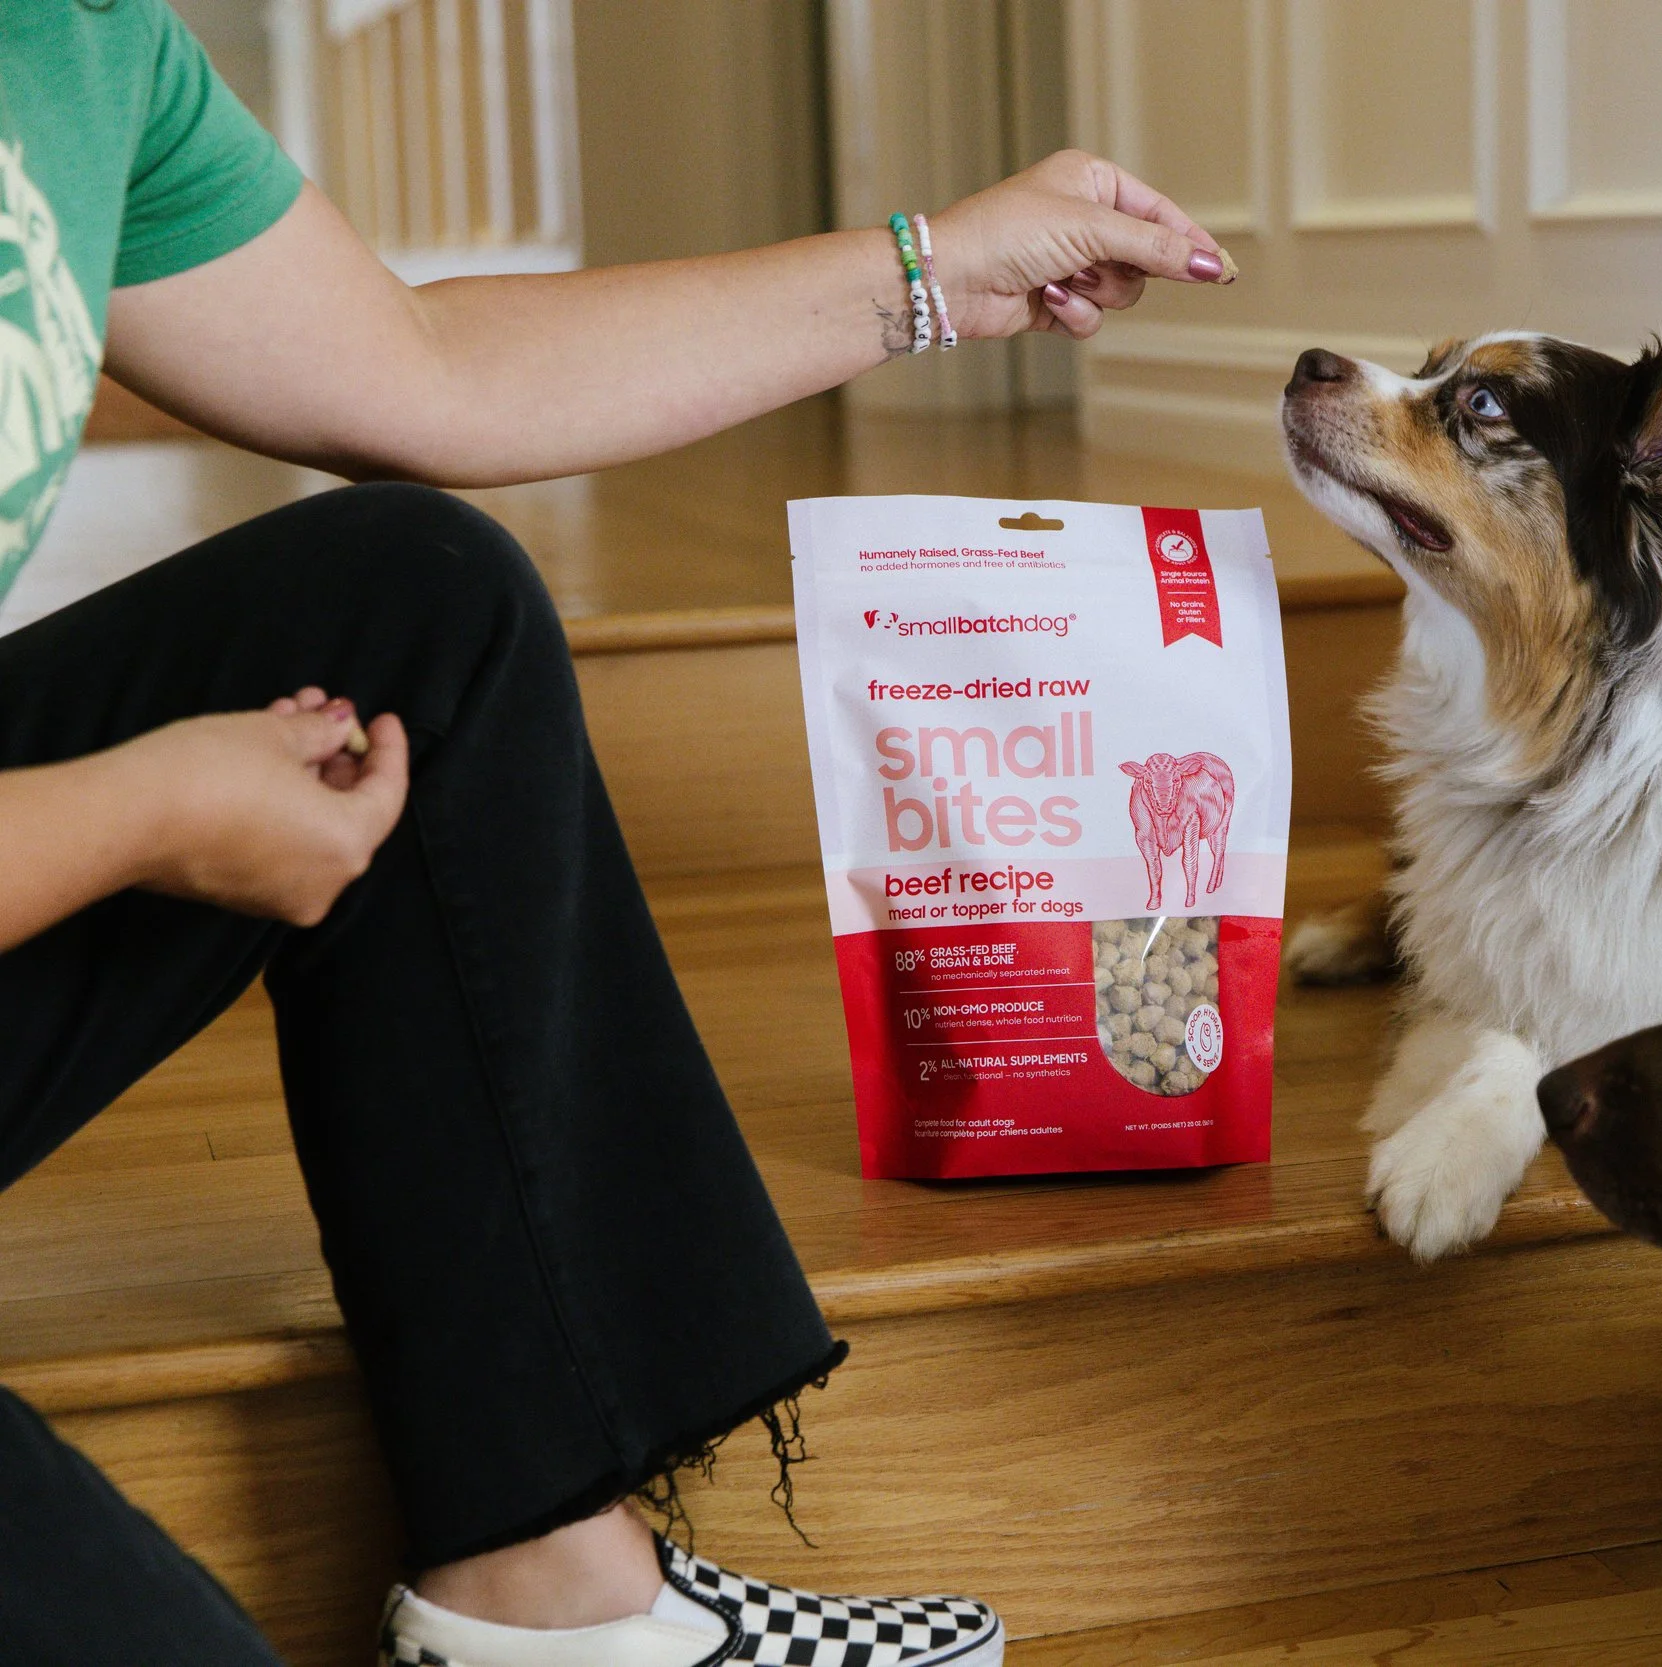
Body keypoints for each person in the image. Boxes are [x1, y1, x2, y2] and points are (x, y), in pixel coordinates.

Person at [0, 4, 1231, 1664]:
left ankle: (543, 1592)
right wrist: (146, 810)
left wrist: (941, 268)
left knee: (413, 604)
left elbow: (424, 369)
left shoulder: (79, 45)